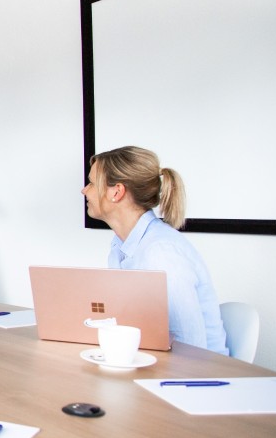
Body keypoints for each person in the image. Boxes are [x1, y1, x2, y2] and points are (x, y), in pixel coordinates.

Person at [82, 145, 228, 354]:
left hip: (196, 376)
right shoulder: (120, 246)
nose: (84, 190)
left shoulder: (161, 252)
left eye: (92, 183)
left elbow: (190, 347)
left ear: (117, 192)